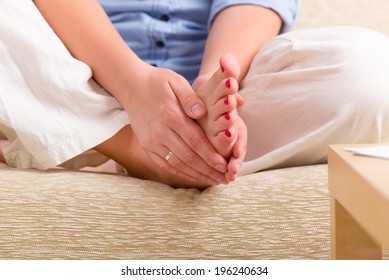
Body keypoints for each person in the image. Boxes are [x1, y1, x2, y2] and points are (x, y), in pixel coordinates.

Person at [1, 0, 389, 188]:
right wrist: (135, 88)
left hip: (233, 105)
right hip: (68, 87)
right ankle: (128, 145)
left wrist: (213, 84)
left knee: (370, 69)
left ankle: (183, 143)